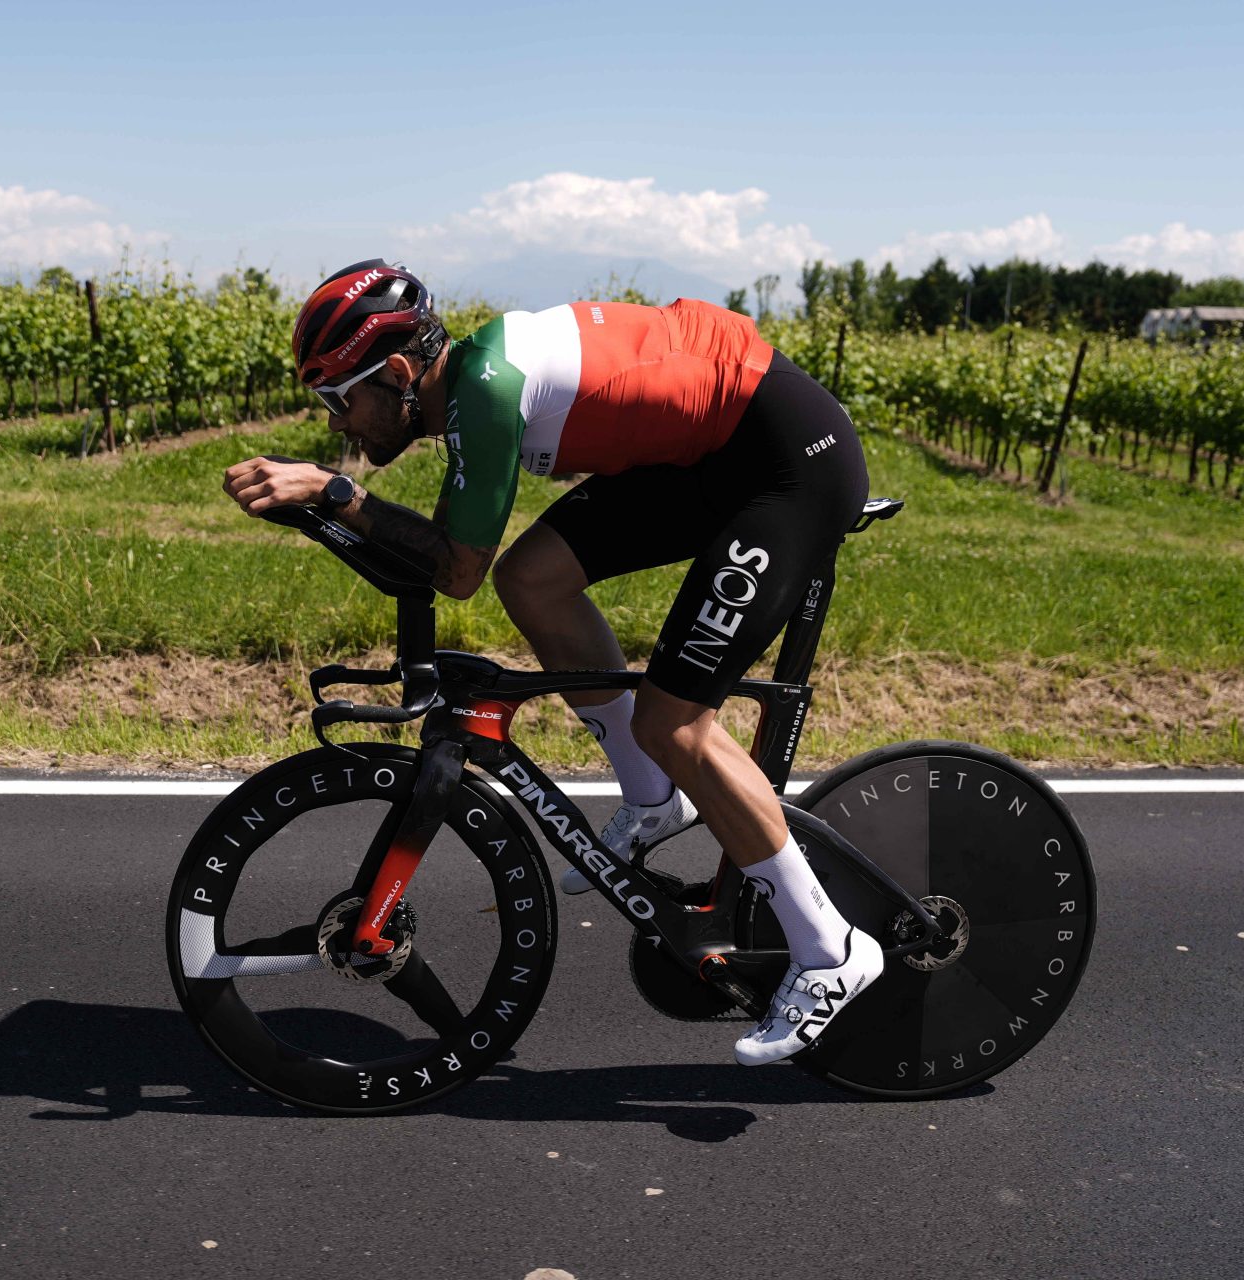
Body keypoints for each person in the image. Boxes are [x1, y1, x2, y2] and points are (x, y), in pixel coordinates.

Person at [222, 259, 880, 1065]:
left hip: (786, 467)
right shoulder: (470, 385)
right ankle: (654, 797)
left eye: (337, 399)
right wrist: (337, 502)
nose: (335, 425)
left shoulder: (490, 392)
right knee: (532, 579)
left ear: (397, 373)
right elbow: (459, 558)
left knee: (676, 720)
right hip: (708, 455)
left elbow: (452, 572)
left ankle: (831, 950)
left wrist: (336, 494)